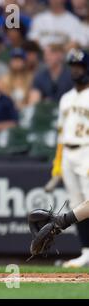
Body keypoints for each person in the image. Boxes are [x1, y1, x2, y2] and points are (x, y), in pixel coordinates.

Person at [49, 49, 89, 267]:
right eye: (73, 67)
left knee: (88, 203)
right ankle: (86, 251)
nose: (76, 71)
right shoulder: (66, 98)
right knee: (77, 204)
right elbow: (61, 135)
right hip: (69, 154)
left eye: (79, 67)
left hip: (87, 150)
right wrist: (57, 164)